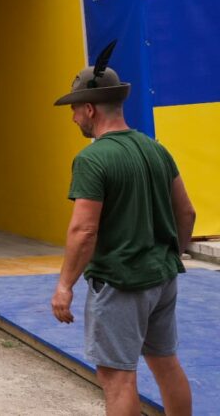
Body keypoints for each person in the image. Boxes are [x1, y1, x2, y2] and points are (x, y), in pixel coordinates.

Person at [50, 50, 196, 416]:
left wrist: (65, 285)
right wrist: (170, 255)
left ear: (91, 109)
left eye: (75, 108)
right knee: (166, 364)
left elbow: (84, 230)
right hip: (161, 277)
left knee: (118, 379)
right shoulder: (155, 149)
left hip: (120, 282)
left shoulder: (93, 158)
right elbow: (188, 212)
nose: (73, 117)